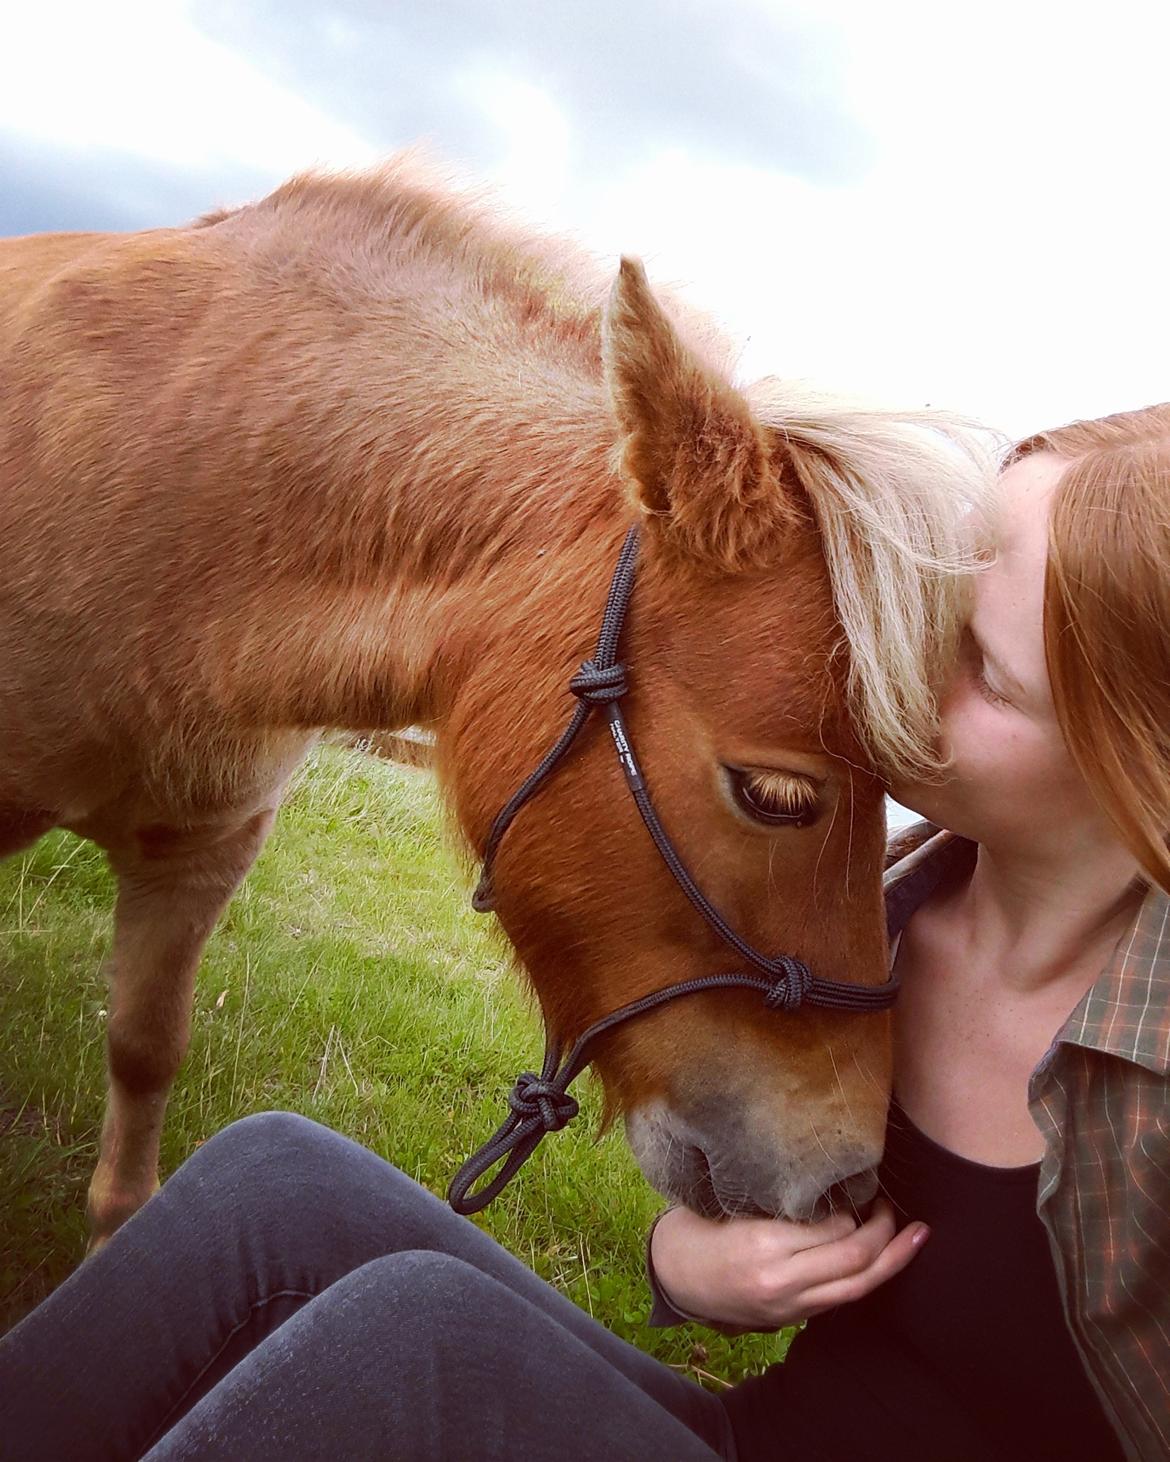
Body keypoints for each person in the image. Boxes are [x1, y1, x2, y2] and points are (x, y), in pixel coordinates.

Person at [2, 405, 1167, 1461]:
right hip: (749, 1438)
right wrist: (688, 1267)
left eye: (983, 668)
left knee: (415, 1342)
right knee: (277, 1179)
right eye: (933, 609)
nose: (893, 660)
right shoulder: (882, 917)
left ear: (1137, 756)